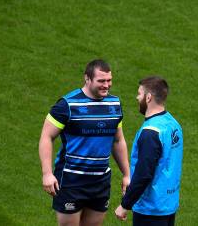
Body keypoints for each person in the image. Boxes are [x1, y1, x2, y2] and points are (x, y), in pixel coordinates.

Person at [39, 59, 130, 226]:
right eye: (101, 81)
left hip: (100, 182)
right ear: (87, 79)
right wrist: (47, 173)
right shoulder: (67, 105)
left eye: (109, 80)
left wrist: (126, 174)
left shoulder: (114, 104)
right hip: (70, 182)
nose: (106, 85)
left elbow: (118, 141)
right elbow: (46, 136)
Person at [115, 76, 183, 226]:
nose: (136, 97)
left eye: (139, 94)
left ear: (148, 97)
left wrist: (125, 205)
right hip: (168, 205)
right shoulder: (173, 124)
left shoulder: (150, 132)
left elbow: (144, 174)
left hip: (150, 210)